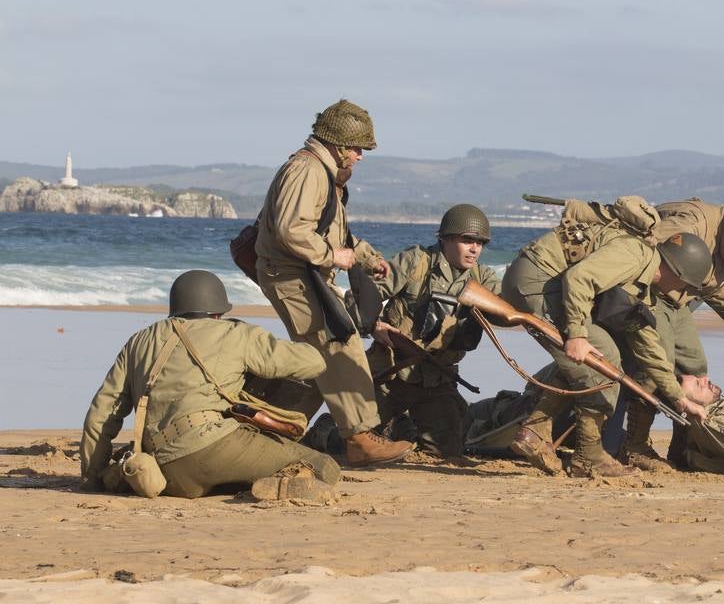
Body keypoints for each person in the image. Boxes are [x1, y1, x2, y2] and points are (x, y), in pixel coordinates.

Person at [80, 270, 341, 500]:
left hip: (164, 470)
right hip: (215, 448)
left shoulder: (139, 341)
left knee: (213, 474)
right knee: (324, 467)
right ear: (218, 312)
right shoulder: (234, 334)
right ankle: (282, 486)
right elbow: (313, 364)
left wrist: (91, 479)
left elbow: (100, 416)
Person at [251, 99, 412, 466]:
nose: (360, 156)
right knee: (339, 345)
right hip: (291, 275)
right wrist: (331, 257)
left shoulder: (325, 172)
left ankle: (274, 432)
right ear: (339, 144)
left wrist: (367, 259)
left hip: (303, 274)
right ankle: (359, 438)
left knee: (315, 360)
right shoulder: (307, 170)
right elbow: (292, 229)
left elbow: (332, 231)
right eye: (357, 148)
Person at [501, 219, 714, 478]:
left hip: (544, 280)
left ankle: (536, 429)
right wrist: (577, 334)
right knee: (603, 357)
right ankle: (587, 456)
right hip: (537, 279)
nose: (684, 294)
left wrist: (679, 399)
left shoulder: (644, 285)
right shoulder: (635, 256)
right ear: (678, 274)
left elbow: (647, 345)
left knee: (601, 357)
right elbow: (578, 278)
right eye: (687, 286)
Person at [623, 201, 724, 468]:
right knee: (657, 363)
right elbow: (639, 254)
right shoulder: (691, 224)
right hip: (650, 292)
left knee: (695, 367)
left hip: (677, 300)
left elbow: (709, 285)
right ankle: (634, 446)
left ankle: (685, 444)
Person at [366, 204, 500, 458]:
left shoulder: (483, 278)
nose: (475, 249)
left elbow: (508, 309)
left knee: (448, 452)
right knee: (351, 439)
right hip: (390, 375)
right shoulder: (415, 262)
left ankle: (402, 429)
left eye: (480, 243)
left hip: (437, 381)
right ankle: (325, 429)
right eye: (468, 240)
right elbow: (363, 296)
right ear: (446, 239)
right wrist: (373, 325)